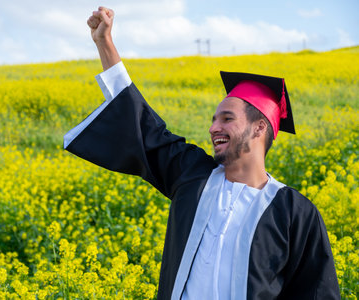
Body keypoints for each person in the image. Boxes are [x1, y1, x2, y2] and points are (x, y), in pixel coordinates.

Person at [64, 6, 341, 300]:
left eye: (226, 119)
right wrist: (104, 42)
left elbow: (316, 293)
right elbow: (143, 127)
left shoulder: (296, 212)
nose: (213, 128)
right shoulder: (193, 176)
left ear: (260, 128)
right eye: (213, 119)